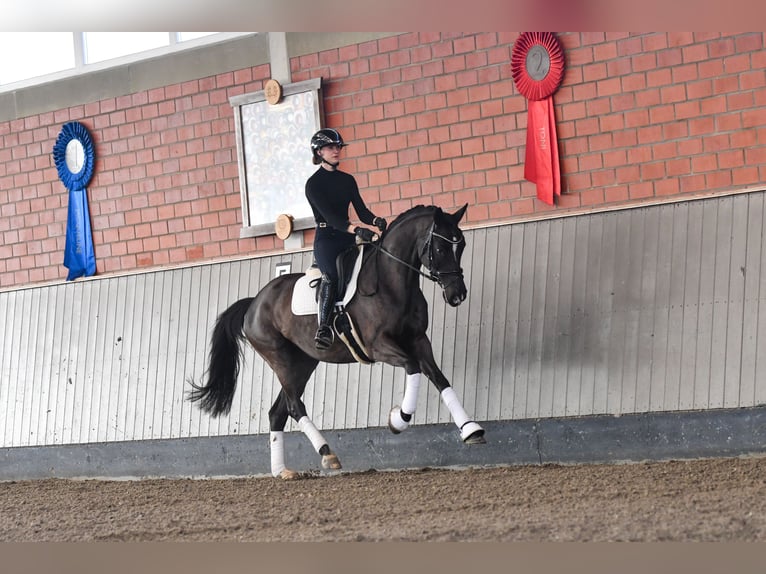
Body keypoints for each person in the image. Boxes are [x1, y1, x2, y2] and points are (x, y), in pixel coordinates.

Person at [305, 128, 387, 350]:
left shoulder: (347, 180)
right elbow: (331, 217)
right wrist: (356, 230)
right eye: (331, 147)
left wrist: (375, 220)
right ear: (319, 151)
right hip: (327, 240)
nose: (336, 150)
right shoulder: (313, 184)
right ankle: (323, 327)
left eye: (338, 147)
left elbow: (362, 211)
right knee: (331, 276)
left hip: (347, 237)